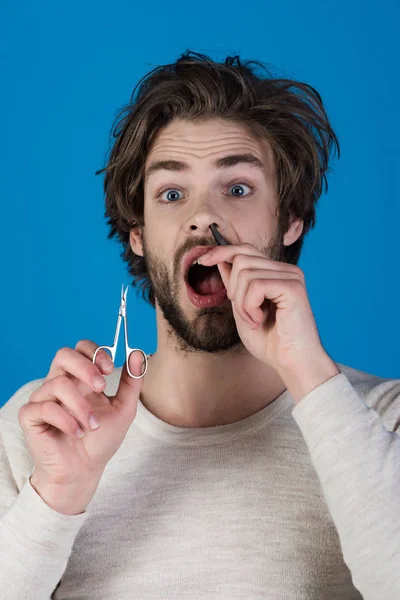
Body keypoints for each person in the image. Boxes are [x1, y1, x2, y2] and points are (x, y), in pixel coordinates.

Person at [0, 51, 399, 600]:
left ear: (290, 220)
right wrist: (58, 493)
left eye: (237, 189)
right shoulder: (42, 430)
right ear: (138, 234)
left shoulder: (384, 420)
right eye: (171, 193)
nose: (203, 216)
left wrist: (310, 373)